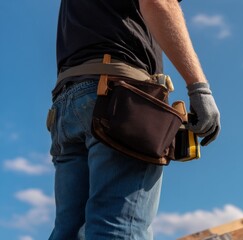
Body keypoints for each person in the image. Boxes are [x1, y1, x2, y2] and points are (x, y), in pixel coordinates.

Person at [47, 0, 220, 239]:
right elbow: (159, 2)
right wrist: (199, 89)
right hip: (119, 98)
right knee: (118, 228)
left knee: (69, 232)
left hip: (67, 104)